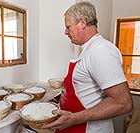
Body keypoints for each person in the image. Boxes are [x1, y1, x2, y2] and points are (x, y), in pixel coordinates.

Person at [42, 1, 133, 133]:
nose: (65, 32)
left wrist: (74, 118)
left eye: (68, 27)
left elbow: (123, 103)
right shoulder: (88, 49)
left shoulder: (101, 50)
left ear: (83, 23)